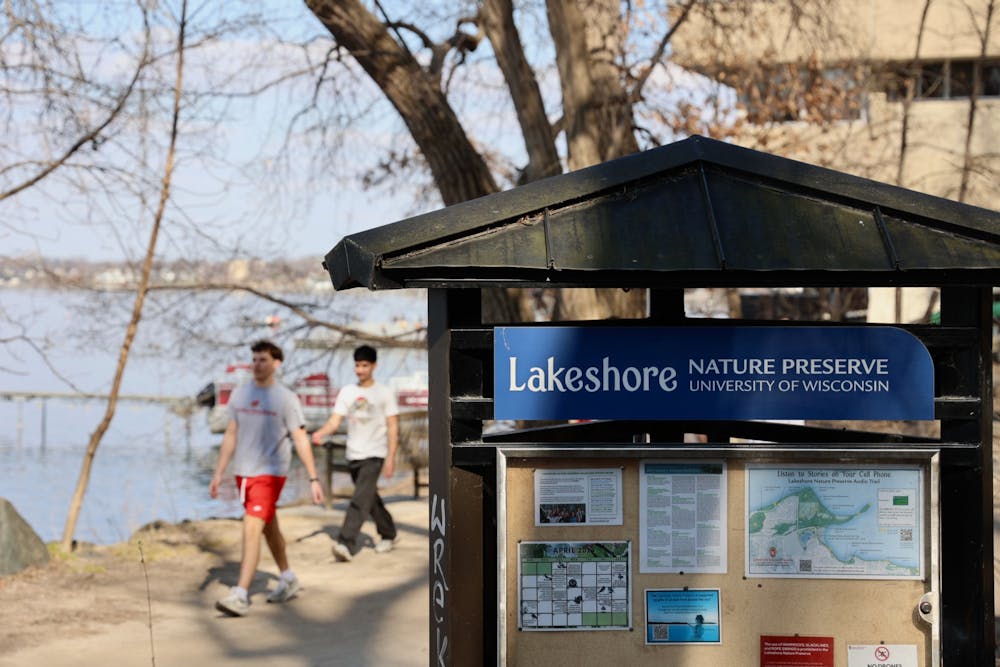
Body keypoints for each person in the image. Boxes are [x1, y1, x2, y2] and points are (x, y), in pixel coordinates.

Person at [209, 340, 325, 617]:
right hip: (244, 473)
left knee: (251, 526)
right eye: (255, 360)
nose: (257, 365)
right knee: (268, 527)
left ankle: (240, 595)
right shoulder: (240, 394)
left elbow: (300, 438)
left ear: (276, 363)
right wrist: (219, 472)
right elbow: (231, 433)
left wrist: (313, 478)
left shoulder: (286, 398)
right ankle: (288, 577)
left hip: (271, 473)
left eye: (263, 360)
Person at [311, 344, 399, 562]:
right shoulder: (348, 392)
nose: (360, 370)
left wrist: (390, 458)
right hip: (354, 454)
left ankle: (345, 543)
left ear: (374, 366)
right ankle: (389, 533)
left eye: (364, 365)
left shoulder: (384, 393)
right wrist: (320, 433)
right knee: (369, 497)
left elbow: (393, 427)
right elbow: (335, 421)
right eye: (357, 365)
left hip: (375, 454)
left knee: (359, 499)